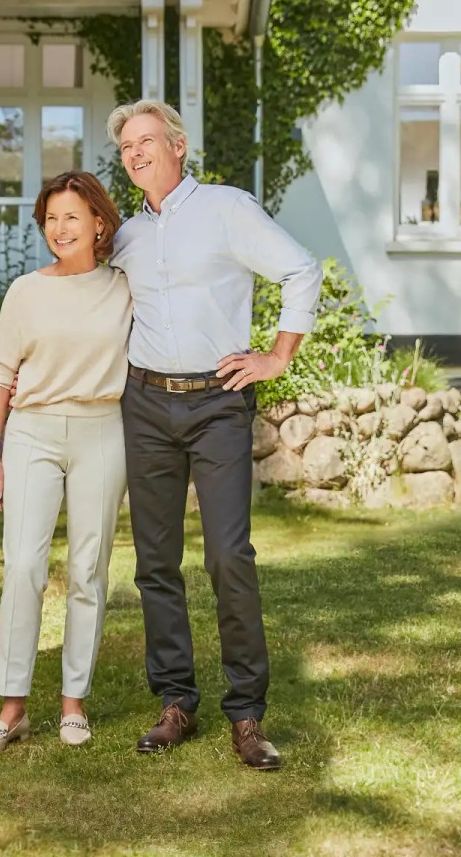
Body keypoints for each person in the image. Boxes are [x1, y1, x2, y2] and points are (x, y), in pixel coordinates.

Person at [108, 100, 321, 771]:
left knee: (228, 557)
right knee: (155, 563)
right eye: (125, 147)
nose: (135, 153)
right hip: (144, 403)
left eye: (146, 140)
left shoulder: (226, 208)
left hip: (219, 402)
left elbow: (300, 268)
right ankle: (176, 702)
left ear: (178, 146)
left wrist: (277, 356)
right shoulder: (125, 236)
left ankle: (248, 714)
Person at [0, 170, 132, 757]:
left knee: (88, 570)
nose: (59, 228)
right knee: (23, 568)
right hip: (32, 433)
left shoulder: (124, 286)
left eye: (71, 217)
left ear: (98, 224)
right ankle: (12, 709)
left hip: (101, 432)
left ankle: (73, 705)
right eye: (50, 218)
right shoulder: (25, 291)